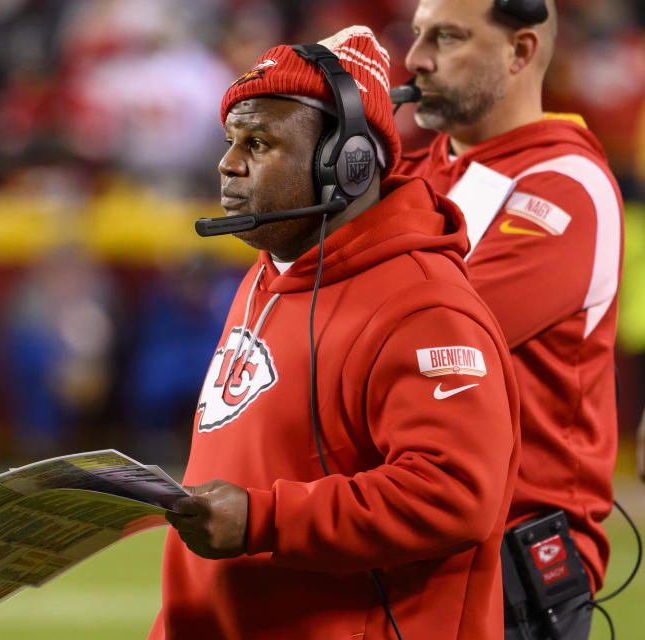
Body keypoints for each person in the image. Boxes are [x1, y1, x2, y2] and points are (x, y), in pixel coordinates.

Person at [150, 26, 520, 639]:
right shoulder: (269, 273)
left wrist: (263, 520)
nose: (228, 163)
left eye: (259, 142)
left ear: (345, 164)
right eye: (230, 140)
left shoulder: (425, 305)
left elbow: (456, 492)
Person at [397, 1, 624, 637]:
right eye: (417, 35)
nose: (416, 59)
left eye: (446, 36)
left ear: (520, 51)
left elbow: (427, 339)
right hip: (410, 547)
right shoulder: (414, 174)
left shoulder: (566, 185)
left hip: (514, 572)